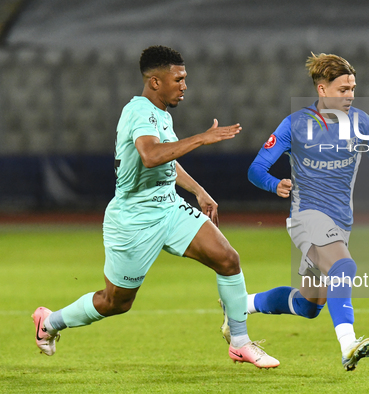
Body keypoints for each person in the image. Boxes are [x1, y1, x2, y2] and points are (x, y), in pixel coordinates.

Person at [32, 45, 279, 369]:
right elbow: (150, 155)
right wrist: (201, 139)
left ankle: (240, 341)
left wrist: (199, 191)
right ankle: (49, 323)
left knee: (228, 259)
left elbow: (166, 160)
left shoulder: (161, 114)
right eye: (178, 79)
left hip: (169, 208)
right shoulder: (138, 112)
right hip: (134, 219)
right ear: (154, 82)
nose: (184, 86)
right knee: (116, 302)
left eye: (185, 78)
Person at [241, 53, 369, 371]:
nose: (350, 95)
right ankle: (348, 344)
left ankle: (241, 305)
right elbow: (256, 169)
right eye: (343, 89)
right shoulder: (295, 124)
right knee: (344, 266)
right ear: (322, 90)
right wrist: (274, 185)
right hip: (306, 218)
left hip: (340, 222)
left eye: (353, 88)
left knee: (308, 305)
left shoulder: (363, 123)